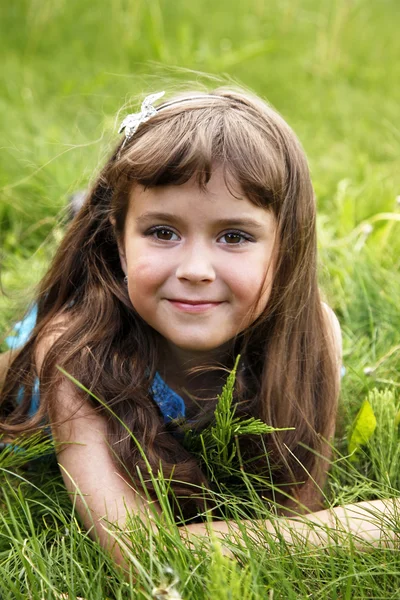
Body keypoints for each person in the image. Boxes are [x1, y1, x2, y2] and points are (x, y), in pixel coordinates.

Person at [2, 85, 385, 572]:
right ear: (120, 245)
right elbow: (140, 552)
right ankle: (90, 214)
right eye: (163, 231)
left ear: (285, 249)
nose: (196, 269)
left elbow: (295, 508)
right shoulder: (75, 350)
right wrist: (361, 527)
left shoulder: (313, 336)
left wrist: (297, 531)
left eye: (234, 236)